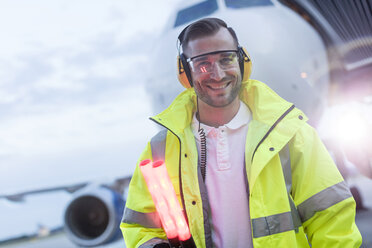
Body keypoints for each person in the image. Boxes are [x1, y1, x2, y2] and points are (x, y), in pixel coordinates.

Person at [120, 18, 362, 248]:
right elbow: (138, 227)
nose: (217, 74)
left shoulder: (290, 134)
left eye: (226, 59)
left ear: (242, 62)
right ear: (185, 72)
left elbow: (331, 219)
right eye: (203, 64)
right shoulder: (161, 150)